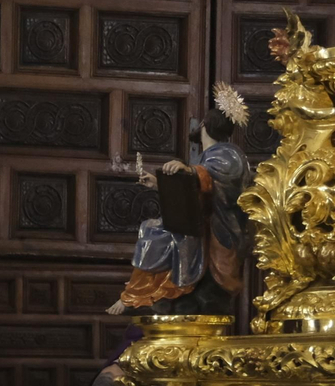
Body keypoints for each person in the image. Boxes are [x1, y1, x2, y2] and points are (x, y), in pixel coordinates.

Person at [107, 83, 250, 317]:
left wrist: (191, 171)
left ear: (205, 126)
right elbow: (192, 193)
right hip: (199, 229)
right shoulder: (208, 156)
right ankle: (139, 293)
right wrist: (160, 184)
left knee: (157, 235)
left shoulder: (228, 154)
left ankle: (135, 294)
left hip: (217, 233)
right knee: (153, 230)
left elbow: (218, 178)